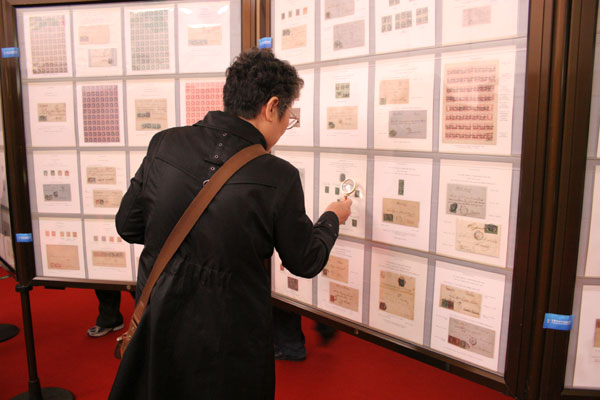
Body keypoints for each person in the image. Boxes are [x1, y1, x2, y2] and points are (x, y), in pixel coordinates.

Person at [109, 49, 352, 399]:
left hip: (158, 325)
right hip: (229, 344)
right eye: (289, 116)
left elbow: (127, 226)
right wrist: (332, 218)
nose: (286, 125)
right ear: (271, 108)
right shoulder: (278, 175)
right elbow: (305, 260)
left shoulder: (165, 143)